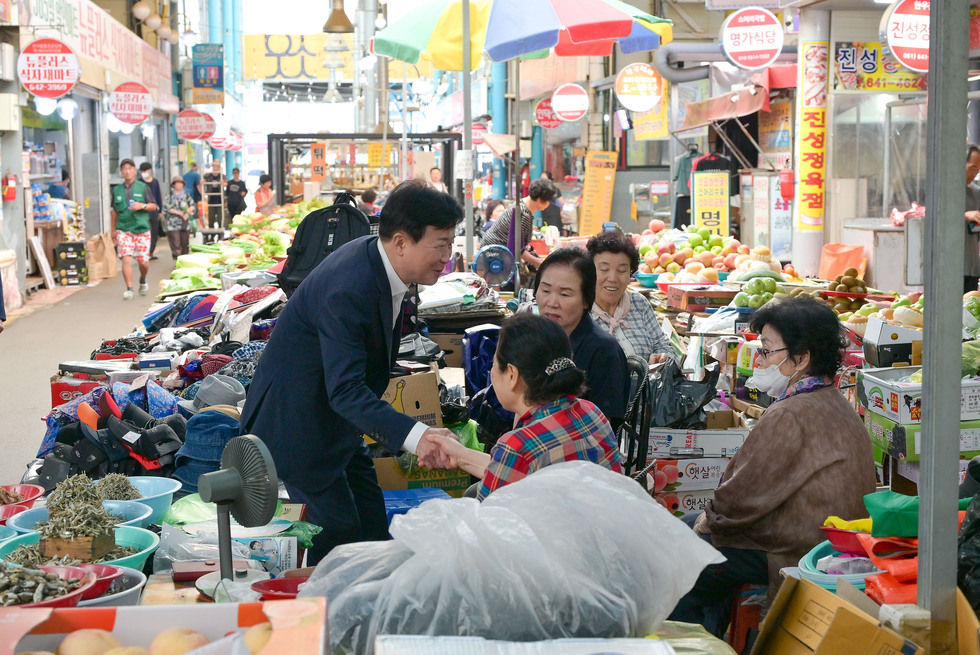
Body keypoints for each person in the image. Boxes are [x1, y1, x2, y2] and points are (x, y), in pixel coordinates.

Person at [240, 181, 465, 565]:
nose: (447, 256)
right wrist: (418, 436)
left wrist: (417, 434)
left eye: (450, 243)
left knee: (373, 526)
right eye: (440, 244)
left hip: (336, 422)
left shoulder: (380, 263)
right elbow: (344, 390)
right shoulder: (350, 286)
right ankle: (322, 612)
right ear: (400, 241)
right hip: (298, 425)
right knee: (339, 532)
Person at [668, 296, 876, 636]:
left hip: (796, 545)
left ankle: (685, 640)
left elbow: (741, 498)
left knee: (684, 554)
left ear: (801, 359)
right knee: (689, 528)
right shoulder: (830, 399)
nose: (759, 360)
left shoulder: (791, 413)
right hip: (825, 537)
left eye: (766, 350)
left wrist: (709, 520)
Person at [438, 313, 621, 500]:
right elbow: (512, 468)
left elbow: (485, 523)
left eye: (494, 364)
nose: (491, 372)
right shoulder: (591, 412)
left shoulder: (518, 446)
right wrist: (459, 454)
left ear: (511, 375)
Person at [531, 247, 629, 431]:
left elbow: (602, 431)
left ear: (586, 300)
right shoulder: (535, 340)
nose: (551, 302)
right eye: (545, 291)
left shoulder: (604, 350)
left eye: (564, 294)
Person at [586, 231, 674, 364]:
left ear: (630, 275)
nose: (612, 278)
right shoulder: (580, 312)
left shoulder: (639, 303)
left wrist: (662, 358)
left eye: (622, 271)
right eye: (604, 269)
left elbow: (664, 345)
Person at [111, 159, 158, 300]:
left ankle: (143, 279)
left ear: (134, 170)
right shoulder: (117, 190)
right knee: (126, 258)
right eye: (124, 169)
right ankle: (129, 289)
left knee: (143, 261)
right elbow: (114, 211)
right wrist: (113, 229)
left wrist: (142, 206)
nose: (127, 171)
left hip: (141, 228)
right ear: (121, 171)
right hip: (124, 228)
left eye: (129, 168)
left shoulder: (143, 187)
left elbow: (154, 206)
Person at [482, 179, 556, 268]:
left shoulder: (521, 205)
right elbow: (517, 248)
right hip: (495, 258)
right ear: (540, 200)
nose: (549, 205)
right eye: (548, 201)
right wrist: (537, 262)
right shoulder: (523, 213)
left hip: (494, 253)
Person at [163, 176, 196, 259]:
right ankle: (177, 259)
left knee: (185, 243)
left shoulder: (186, 195)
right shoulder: (169, 195)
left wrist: (189, 209)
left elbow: (192, 205)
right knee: (175, 243)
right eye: (177, 183)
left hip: (184, 223)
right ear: (173, 185)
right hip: (172, 224)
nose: (179, 185)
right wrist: (178, 212)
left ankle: (184, 259)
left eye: (181, 183)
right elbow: (166, 207)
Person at [139, 163, 163, 261]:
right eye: (143, 171)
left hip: (154, 212)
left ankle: (151, 252)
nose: (144, 173)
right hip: (142, 212)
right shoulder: (139, 182)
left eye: (146, 170)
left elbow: (158, 196)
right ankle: (144, 252)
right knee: (144, 233)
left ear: (150, 170)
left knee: (154, 233)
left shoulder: (155, 182)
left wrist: (160, 210)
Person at [965, 145, 980, 293]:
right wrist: (964, 215)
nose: (975, 173)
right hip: (952, 265)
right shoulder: (946, 190)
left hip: (972, 264)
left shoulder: (976, 193)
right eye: (973, 167)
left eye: (978, 169)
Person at [201, 160, 226, 229]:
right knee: (211, 217)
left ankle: (220, 232)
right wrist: (203, 183)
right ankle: (211, 233)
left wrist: (223, 183)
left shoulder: (222, 176)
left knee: (220, 217)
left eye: (217, 166)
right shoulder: (207, 176)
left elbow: (226, 184)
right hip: (211, 199)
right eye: (214, 165)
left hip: (219, 199)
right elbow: (203, 183)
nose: (215, 167)